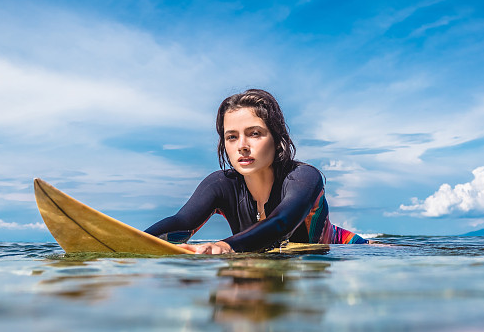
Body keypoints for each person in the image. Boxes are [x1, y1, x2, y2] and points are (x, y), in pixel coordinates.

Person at [145, 89, 368, 254]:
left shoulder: (303, 177)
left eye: (254, 133)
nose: (242, 145)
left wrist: (226, 246)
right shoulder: (221, 185)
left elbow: (283, 222)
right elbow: (182, 223)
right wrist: (136, 240)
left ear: (277, 139)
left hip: (345, 248)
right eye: (231, 136)